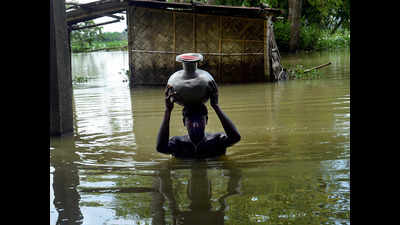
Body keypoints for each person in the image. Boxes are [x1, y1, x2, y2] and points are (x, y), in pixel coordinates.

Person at [156, 82, 241, 158]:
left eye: (199, 120)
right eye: (191, 120)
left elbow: (235, 138)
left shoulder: (216, 141)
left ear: (206, 120)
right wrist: (168, 111)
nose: (195, 124)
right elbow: (161, 148)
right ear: (184, 122)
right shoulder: (178, 144)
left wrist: (215, 106)